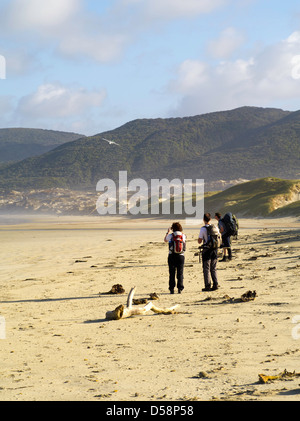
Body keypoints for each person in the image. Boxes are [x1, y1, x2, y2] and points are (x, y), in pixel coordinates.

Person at [198, 213, 220, 291]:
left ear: (203, 220)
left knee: (206, 268)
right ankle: (215, 284)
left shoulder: (203, 229)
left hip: (207, 250)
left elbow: (199, 241)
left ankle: (207, 285)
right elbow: (219, 237)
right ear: (210, 219)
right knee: (213, 268)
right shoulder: (215, 227)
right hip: (214, 249)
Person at [164, 222, 186, 294]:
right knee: (180, 273)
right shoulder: (183, 235)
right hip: (181, 256)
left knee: (172, 273)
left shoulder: (171, 235)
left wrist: (167, 232)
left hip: (172, 255)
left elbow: (165, 240)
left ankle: (171, 289)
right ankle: (180, 288)